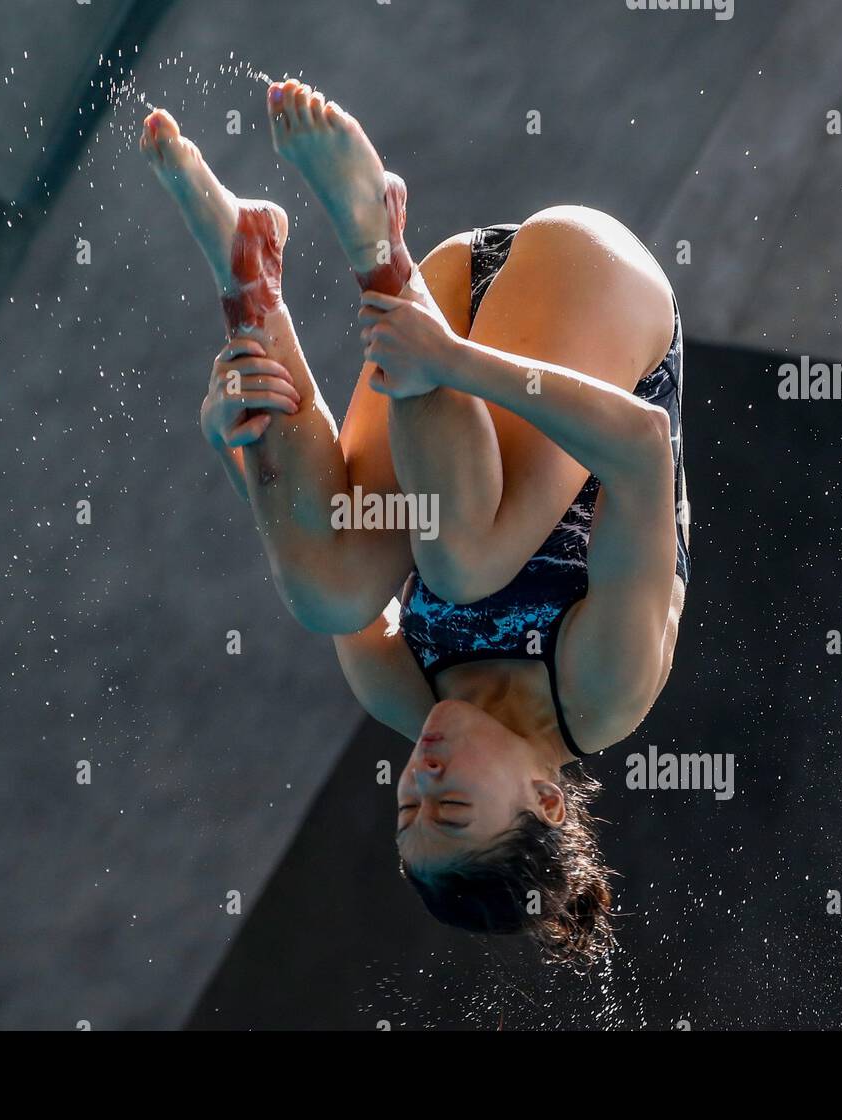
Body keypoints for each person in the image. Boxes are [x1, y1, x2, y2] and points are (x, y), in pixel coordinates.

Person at [141, 78, 690, 966]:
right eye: (452, 807)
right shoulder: (606, 689)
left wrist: (235, 445)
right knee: (465, 562)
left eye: (408, 807)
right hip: (592, 284)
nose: (421, 779)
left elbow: (320, 531)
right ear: (549, 802)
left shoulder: (404, 694)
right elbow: (640, 443)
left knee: (330, 593)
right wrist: (456, 361)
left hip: (446, 289)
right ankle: (371, 242)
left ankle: (249, 279)